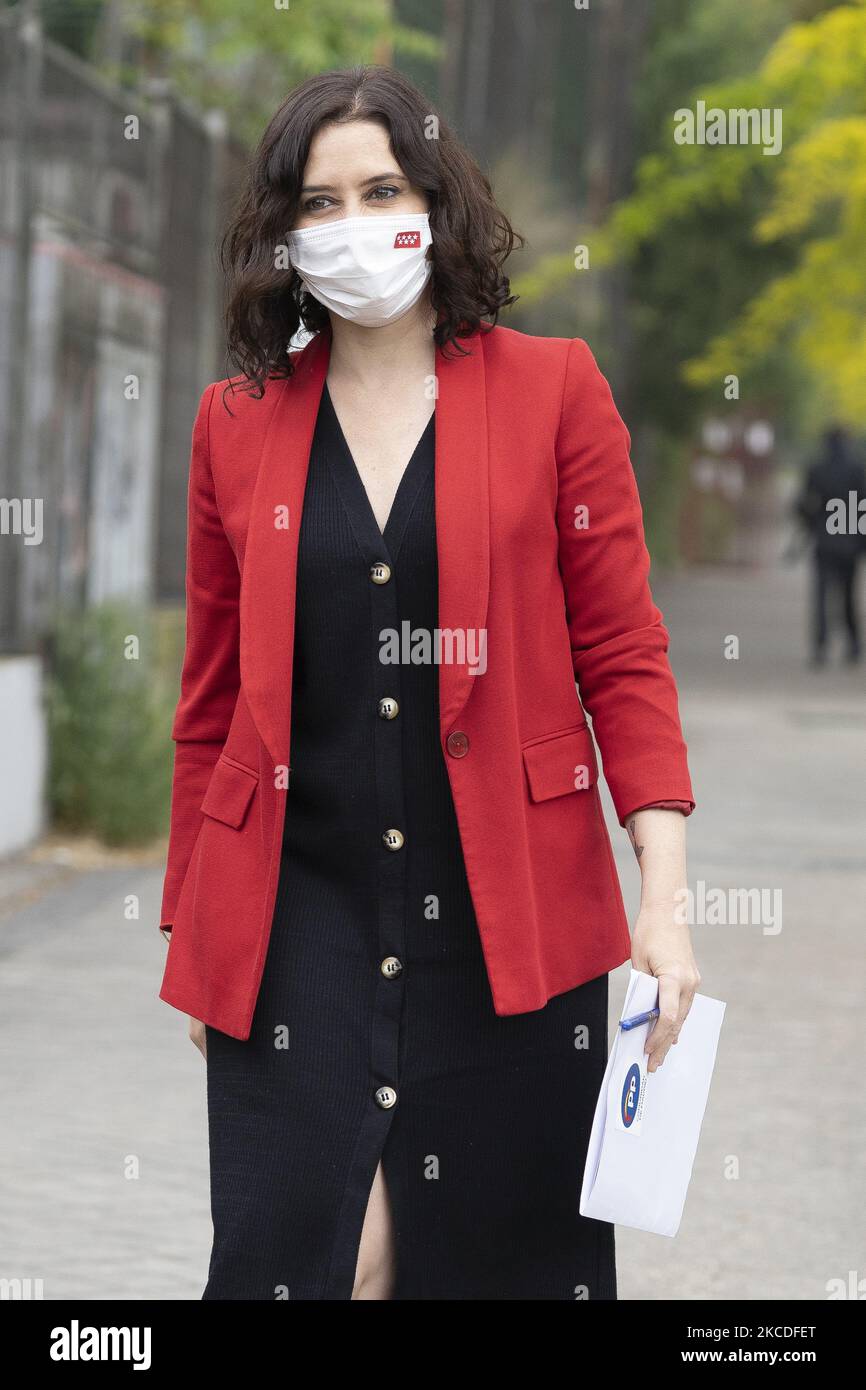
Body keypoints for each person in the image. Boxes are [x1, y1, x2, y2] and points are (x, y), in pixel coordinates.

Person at [157, 65, 699, 1302]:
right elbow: (208, 705)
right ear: (284, 233)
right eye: (319, 202)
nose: (352, 224)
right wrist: (197, 926)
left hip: (513, 923)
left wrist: (662, 904)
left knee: (491, 1265)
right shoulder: (234, 423)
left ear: (435, 203)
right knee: (307, 1262)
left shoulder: (554, 390)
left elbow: (623, 655)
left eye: (382, 190)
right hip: (296, 925)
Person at [796, 426, 866, 665]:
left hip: (824, 540)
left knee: (821, 596)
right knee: (849, 595)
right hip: (850, 541)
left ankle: (820, 646)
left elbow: (804, 504)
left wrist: (811, 525)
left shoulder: (817, 468)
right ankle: (853, 644)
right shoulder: (857, 469)